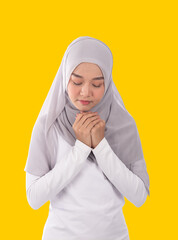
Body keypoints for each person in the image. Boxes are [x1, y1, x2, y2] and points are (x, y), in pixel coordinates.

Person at [24, 36, 150, 240]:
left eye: (97, 84)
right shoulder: (48, 125)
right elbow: (34, 198)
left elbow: (139, 197)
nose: (85, 92)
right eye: (77, 81)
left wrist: (100, 146)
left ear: (107, 83)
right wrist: (81, 148)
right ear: (65, 77)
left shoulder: (124, 125)